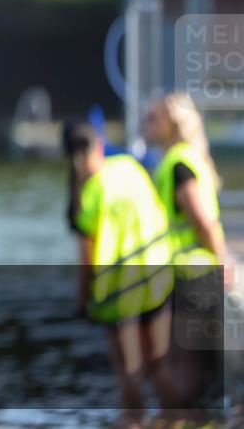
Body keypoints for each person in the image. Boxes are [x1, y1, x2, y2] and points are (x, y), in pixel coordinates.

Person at [62, 118, 177, 429]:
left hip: (119, 293)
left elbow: (87, 260)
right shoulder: (128, 167)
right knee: (158, 363)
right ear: (99, 145)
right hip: (157, 279)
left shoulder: (87, 195)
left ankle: (134, 425)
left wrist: (82, 302)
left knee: (130, 370)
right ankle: (179, 421)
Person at [144, 93, 232, 415]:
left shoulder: (179, 163)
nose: (145, 123)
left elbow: (201, 219)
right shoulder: (181, 159)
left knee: (186, 372)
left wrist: (224, 261)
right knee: (188, 369)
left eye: (154, 118)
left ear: (172, 124)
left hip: (193, 277)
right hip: (191, 275)